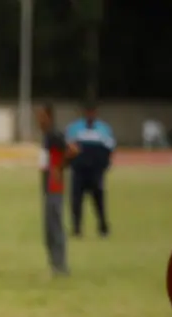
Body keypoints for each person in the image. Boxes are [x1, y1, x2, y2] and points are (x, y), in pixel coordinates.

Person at [37, 105, 78, 277]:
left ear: (49, 117)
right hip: (48, 189)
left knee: (55, 227)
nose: (39, 120)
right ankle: (54, 265)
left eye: (42, 116)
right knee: (48, 229)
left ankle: (61, 266)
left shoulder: (55, 135)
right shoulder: (47, 137)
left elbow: (73, 150)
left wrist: (60, 168)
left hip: (55, 188)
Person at [64, 103, 115, 238]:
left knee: (99, 200)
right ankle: (76, 228)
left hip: (96, 172)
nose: (90, 115)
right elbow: (68, 149)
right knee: (76, 201)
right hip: (79, 172)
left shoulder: (104, 129)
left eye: (92, 112)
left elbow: (110, 150)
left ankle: (103, 227)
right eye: (88, 112)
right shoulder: (74, 128)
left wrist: (105, 165)